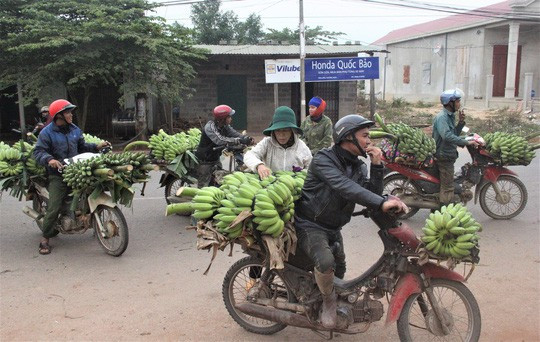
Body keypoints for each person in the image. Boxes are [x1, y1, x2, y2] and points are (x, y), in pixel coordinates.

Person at [294, 114, 408, 329]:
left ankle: (330, 296)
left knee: (340, 268)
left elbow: (369, 195)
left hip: (334, 226)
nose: (369, 141)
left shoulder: (357, 166)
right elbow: (343, 185)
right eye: (365, 136)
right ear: (348, 137)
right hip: (311, 225)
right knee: (326, 262)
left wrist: (376, 167)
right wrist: (380, 201)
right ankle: (328, 301)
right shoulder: (323, 159)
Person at [33, 99, 110, 255]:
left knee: (89, 192)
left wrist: (96, 146)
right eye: (68, 112)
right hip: (58, 174)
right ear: (59, 115)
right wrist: (50, 160)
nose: (71, 115)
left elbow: (81, 147)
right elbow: (38, 152)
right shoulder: (46, 133)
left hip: (76, 171)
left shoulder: (74, 129)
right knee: (54, 207)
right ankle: (45, 238)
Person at [432, 89, 479, 206]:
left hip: (448, 154)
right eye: (457, 101)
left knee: (447, 183)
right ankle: (444, 212)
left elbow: (454, 134)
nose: (459, 104)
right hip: (444, 155)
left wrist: (461, 122)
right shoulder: (442, 117)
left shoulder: (450, 116)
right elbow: (447, 136)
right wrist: (466, 143)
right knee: (447, 187)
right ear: (450, 103)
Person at [244, 106, 312, 179]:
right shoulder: (267, 143)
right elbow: (249, 155)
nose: (281, 135)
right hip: (270, 186)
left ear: (292, 131)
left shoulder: (301, 147)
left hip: (294, 186)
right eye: (278, 130)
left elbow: (311, 168)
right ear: (273, 131)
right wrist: (259, 165)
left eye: (285, 130)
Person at [194, 104, 253, 187]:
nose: (231, 119)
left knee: (218, 182)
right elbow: (219, 140)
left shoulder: (225, 126)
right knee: (203, 187)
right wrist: (237, 141)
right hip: (205, 161)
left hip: (215, 159)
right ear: (222, 119)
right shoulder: (210, 127)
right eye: (229, 117)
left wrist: (246, 138)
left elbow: (234, 133)